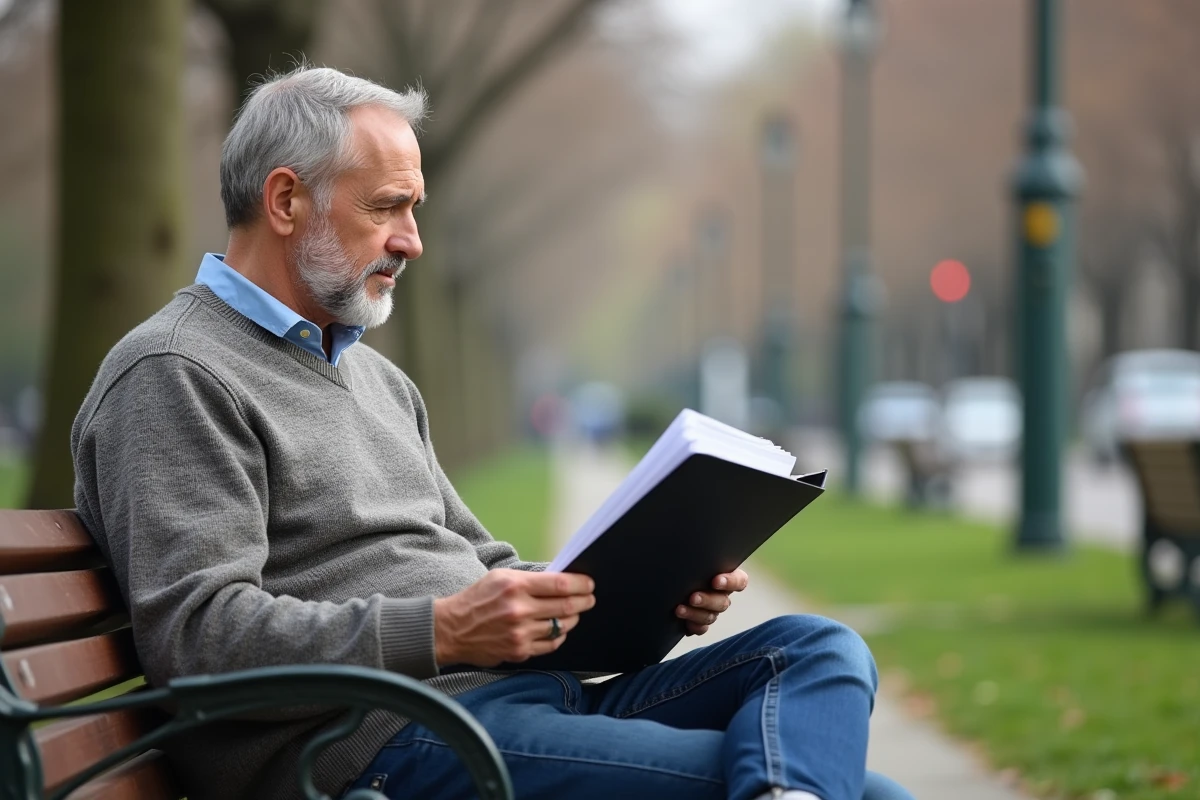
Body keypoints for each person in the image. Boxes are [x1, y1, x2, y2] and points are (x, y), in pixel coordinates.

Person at [71, 66, 913, 800]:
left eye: (415, 208)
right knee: (860, 791)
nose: (412, 241)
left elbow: (484, 569)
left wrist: (650, 591)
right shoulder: (175, 372)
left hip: (509, 703)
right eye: (388, 207)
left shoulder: (377, 379)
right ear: (286, 200)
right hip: (373, 747)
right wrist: (440, 630)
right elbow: (199, 642)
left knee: (815, 649)